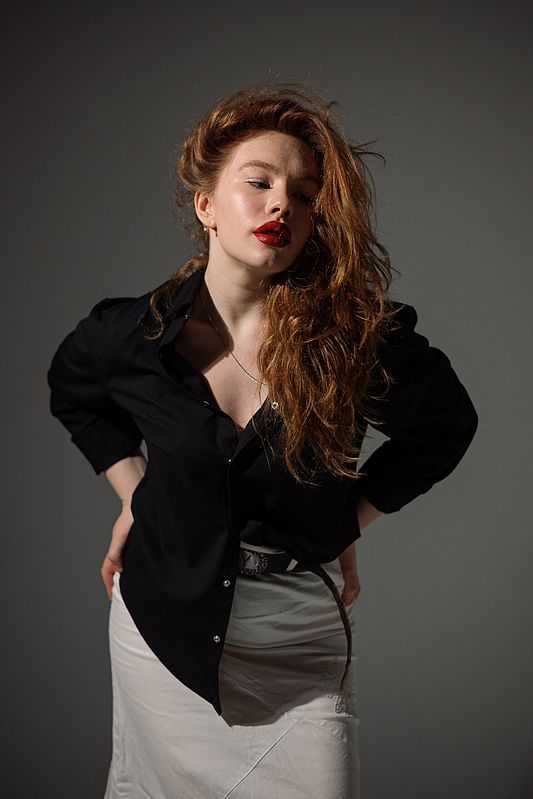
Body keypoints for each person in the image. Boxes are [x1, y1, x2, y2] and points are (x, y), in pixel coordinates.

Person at [46, 81, 478, 799]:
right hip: (161, 631)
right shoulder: (134, 335)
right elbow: (74, 391)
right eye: (259, 183)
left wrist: (345, 516)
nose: (283, 205)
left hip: (296, 638)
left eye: (304, 195)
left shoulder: (355, 340)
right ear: (206, 206)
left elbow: (445, 426)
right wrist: (133, 492)